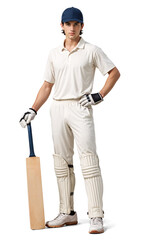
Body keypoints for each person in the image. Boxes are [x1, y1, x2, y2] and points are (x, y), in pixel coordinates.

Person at [20, 7, 120, 234]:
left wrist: (99, 95)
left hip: (80, 106)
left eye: (76, 24)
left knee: (88, 161)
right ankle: (67, 213)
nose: (72, 28)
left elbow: (114, 72)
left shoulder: (91, 50)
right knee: (61, 163)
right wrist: (33, 109)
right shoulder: (54, 53)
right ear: (61, 26)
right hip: (57, 107)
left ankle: (96, 215)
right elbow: (47, 85)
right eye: (68, 24)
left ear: (82, 26)